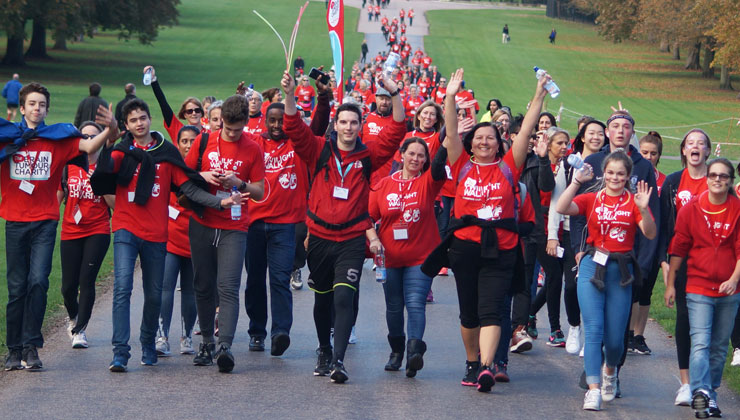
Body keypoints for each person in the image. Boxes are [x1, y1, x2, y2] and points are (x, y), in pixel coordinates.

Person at [90, 98, 243, 373]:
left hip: (157, 234)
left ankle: (148, 344)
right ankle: (120, 352)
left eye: (142, 118)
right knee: (122, 288)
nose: (139, 124)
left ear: (149, 120)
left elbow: (190, 190)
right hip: (125, 228)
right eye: (133, 120)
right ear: (126, 125)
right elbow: (101, 175)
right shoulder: (121, 152)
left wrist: (220, 203)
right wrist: (109, 141)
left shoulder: (166, 153)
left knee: (153, 295)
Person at [422, 68, 547, 392]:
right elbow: (450, 129)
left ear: (498, 142)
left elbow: (526, 130)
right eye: (479, 137)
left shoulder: (509, 166)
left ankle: (488, 367)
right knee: (469, 313)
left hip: (502, 249)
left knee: (493, 310)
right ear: (471, 143)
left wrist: (539, 94)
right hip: (464, 247)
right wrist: (449, 96)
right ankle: (472, 360)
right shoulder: (461, 163)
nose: (484, 141)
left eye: (490, 137)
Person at [282, 69, 406, 384]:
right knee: (322, 300)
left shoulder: (368, 155)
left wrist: (394, 94)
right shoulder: (319, 150)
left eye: (354, 122)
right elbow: (294, 127)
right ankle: (323, 349)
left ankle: (338, 360)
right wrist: (289, 94)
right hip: (320, 239)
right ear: (335, 126)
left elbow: (397, 129)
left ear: (360, 127)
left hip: (352, 239)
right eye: (343, 122)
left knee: (343, 297)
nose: (349, 127)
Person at [1, 82, 117, 371]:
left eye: (41, 104)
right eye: (32, 104)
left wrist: (109, 128)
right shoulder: (7, 136)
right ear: (23, 107)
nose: (37, 108)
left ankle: (31, 346)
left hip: (44, 220)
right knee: (17, 287)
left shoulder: (58, 138)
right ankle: (13, 349)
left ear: (47, 109)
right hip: (15, 220)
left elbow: (89, 146)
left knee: (38, 281)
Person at [556, 150, 656, 411]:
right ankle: (593, 388)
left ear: (627, 176)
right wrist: (577, 181)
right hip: (592, 266)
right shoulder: (592, 198)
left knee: (614, 339)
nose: (615, 177)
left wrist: (644, 209)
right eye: (610, 172)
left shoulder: (634, 202)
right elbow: (561, 207)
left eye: (620, 173)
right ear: (604, 173)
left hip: (620, 272)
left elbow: (649, 232)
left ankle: (610, 368)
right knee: (594, 329)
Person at [570, 110, 661, 396]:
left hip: (626, 261)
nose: (620, 131)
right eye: (615, 126)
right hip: (594, 255)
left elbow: (650, 218)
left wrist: (644, 263)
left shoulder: (643, 167)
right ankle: (595, 380)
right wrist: (578, 249)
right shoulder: (593, 162)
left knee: (616, 331)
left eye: (626, 127)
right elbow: (576, 211)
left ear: (632, 132)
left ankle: (613, 372)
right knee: (594, 324)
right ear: (607, 131)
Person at [185, 95, 265, 373]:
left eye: (237, 129)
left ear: (245, 123)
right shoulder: (204, 141)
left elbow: (260, 191)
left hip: (235, 225)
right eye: (227, 128)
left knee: (228, 287)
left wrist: (238, 182)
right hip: (203, 219)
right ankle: (206, 341)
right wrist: (205, 175)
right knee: (203, 284)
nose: (231, 133)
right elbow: (184, 176)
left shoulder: (253, 148)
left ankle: (225, 346)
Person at [665, 158, 740, 419]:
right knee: (700, 342)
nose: (718, 179)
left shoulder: (738, 209)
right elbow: (678, 248)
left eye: (724, 176)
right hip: (698, 286)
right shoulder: (692, 209)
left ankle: (710, 394)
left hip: (729, 290)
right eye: (713, 175)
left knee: (719, 346)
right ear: (707, 177)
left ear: (731, 181)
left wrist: (733, 279)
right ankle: (702, 391)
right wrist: (671, 284)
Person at [369, 137, 446, 377]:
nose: (415, 159)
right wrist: (373, 239)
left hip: (420, 257)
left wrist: (448, 136)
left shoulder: (428, 182)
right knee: (393, 307)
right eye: (411, 154)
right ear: (402, 155)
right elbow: (367, 217)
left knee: (414, 303)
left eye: (421, 156)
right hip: (389, 258)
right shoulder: (383, 185)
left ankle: (414, 352)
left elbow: (440, 161)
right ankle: (396, 352)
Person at [656, 128, 711, 406]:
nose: (695, 146)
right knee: (685, 319)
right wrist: (666, 263)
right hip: (683, 260)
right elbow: (665, 224)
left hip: (712, 261)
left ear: (708, 152)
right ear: (683, 150)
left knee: (709, 324)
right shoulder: (674, 182)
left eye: (701, 143)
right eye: (690, 142)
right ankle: (686, 383)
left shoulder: (717, 180)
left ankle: (706, 383)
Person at [545, 119, 607, 355]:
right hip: (573, 230)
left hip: (601, 231)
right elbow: (556, 201)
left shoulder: (608, 162)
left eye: (600, 133)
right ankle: (574, 326)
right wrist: (552, 234)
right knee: (571, 286)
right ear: (582, 137)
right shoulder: (569, 164)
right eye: (591, 133)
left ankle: (592, 336)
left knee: (597, 285)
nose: (596, 137)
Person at [59, 121, 116, 350]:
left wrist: (100, 183)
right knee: (67, 287)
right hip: (70, 230)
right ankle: (73, 318)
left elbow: (115, 205)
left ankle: (80, 330)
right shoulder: (67, 166)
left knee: (87, 280)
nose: (90, 140)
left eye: (95, 136)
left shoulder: (106, 167)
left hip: (98, 229)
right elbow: (58, 197)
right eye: (85, 136)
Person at [155, 125, 200, 357]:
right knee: (165, 288)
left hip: (195, 237)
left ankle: (187, 336)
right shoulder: (168, 167)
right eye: (184, 141)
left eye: (193, 140)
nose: (188, 145)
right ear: (178, 144)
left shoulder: (204, 169)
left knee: (191, 291)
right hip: (170, 236)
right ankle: (162, 336)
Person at [625, 131, 666, 357]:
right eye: (645, 152)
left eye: (653, 153)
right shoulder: (634, 174)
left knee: (646, 290)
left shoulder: (662, 180)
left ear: (659, 156)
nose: (649, 157)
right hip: (633, 237)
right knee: (632, 287)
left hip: (654, 237)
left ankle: (639, 335)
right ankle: (628, 332)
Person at [144, 66, 206, 142]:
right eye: (189, 111)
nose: (194, 113)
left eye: (197, 110)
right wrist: (154, 81)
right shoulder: (177, 129)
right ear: (184, 114)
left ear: (201, 113)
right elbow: (163, 104)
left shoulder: (210, 133)